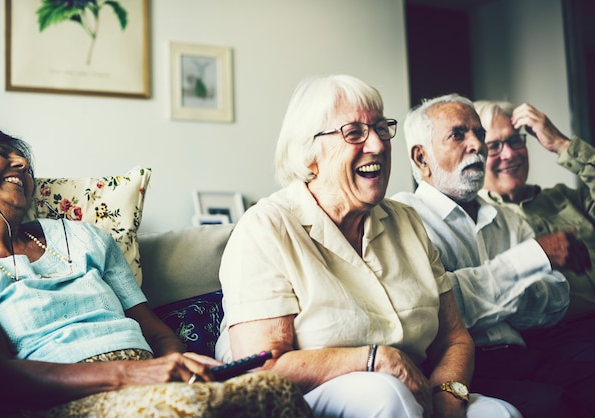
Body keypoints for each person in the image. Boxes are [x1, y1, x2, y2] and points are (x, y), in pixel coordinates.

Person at [214, 75, 521, 418]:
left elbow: (454, 339)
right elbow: (262, 368)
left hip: (415, 390)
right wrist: (375, 359)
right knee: (385, 394)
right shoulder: (266, 227)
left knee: (501, 413)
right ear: (310, 152)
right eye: (355, 133)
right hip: (313, 399)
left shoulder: (407, 221)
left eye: (380, 128)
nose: (377, 144)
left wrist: (448, 393)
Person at [0, 127, 312, 417]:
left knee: (275, 387)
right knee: (183, 410)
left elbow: (156, 332)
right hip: (68, 395)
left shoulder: (84, 237)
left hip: (150, 374)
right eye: (3, 153)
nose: (24, 164)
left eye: (26, 163)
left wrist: (177, 364)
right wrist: (131, 374)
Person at [392, 93, 595, 418]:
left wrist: (485, 291)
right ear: (421, 158)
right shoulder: (404, 216)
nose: (477, 144)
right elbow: (438, 310)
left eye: (479, 134)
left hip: (525, 354)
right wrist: (531, 260)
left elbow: (555, 301)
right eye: (459, 134)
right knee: (554, 407)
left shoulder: (508, 219)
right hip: (463, 369)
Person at [475, 100, 595, 323]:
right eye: (493, 146)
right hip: (562, 340)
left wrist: (561, 144)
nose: (509, 154)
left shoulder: (566, 198)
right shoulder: (477, 221)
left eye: (514, 140)